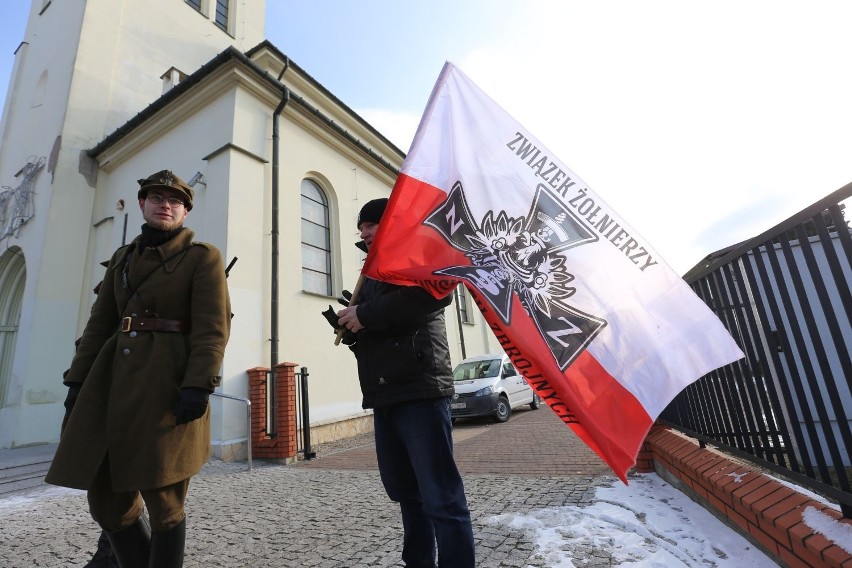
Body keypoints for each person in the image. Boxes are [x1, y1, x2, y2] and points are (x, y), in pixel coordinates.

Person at [45, 170, 231, 568]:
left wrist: (198, 384)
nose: (166, 204)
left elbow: (212, 328)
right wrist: (76, 382)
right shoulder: (122, 259)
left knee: (163, 494)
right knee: (107, 500)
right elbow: (99, 324)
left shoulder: (202, 257)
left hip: (166, 383)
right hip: (108, 384)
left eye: (175, 201)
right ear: (142, 204)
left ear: (185, 211)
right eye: (157, 197)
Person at [330, 198, 476, 567]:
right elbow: (384, 326)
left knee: (440, 497)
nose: (363, 231)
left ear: (391, 224)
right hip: (385, 391)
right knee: (407, 494)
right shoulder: (375, 269)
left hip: (421, 388)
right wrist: (353, 329)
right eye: (361, 226)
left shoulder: (413, 255)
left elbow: (432, 294)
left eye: (371, 224)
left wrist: (365, 314)